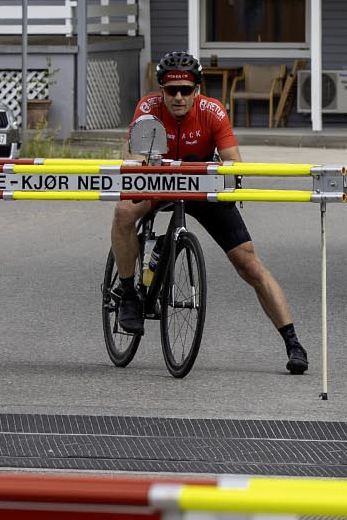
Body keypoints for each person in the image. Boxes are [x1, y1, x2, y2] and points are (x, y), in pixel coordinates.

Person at [111, 50, 309, 374]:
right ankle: (129, 293)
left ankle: (292, 342)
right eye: (171, 90)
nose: (178, 97)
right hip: (159, 183)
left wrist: (225, 174)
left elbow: (234, 161)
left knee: (249, 263)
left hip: (200, 186)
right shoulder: (148, 109)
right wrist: (139, 165)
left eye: (185, 90)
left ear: (197, 90)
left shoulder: (212, 112)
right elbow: (131, 159)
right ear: (160, 90)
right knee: (122, 214)